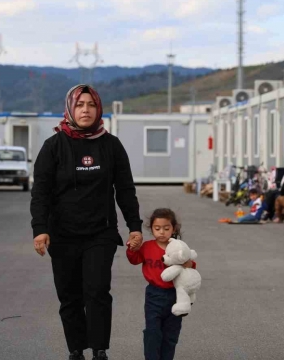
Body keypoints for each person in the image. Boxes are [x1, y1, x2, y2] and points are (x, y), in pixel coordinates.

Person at [31, 84, 144, 360]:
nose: (85, 110)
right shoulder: (53, 146)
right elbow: (41, 193)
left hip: (100, 234)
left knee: (97, 291)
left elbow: (125, 189)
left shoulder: (111, 145)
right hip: (63, 234)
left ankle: (99, 349)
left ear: (98, 109)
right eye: (80, 104)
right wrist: (40, 229)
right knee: (69, 296)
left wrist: (135, 226)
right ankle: (76, 350)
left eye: (91, 104)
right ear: (70, 108)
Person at [126, 208, 196, 360]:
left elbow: (191, 267)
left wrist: (188, 263)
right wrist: (132, 248)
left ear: (174, 228)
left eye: (166, 228)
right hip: (154, 295)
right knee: (152, 331)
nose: (162, 232)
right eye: (157, 228)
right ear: (151, 229)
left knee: (171, 335)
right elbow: (134, 259)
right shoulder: (147, 247)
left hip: (175, 295)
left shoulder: (179, 247)